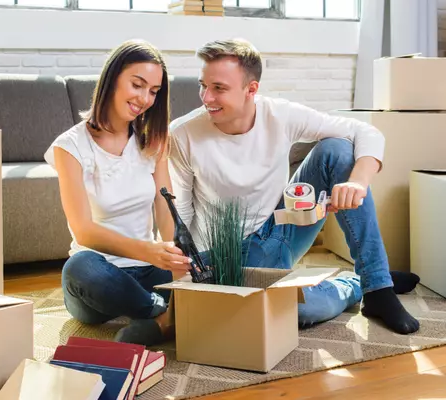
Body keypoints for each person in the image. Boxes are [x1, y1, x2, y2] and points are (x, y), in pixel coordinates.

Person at [168, 38, 421, 334]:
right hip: (230, 255)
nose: (206, 97)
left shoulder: (279, 114)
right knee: (299, 310)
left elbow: (365, 131)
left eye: (218, 88)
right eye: (203, 85)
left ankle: (377, 285)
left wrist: (358, 182)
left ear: (251, 90)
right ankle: (355, 283)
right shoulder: (182, 134)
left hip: (282, 226)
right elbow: (179, 213)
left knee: (338, 149)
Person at [44, 39, 190, 347]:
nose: (145, 99)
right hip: (100, 275)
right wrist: (147, 250)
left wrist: (175, 256)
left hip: (150, 270)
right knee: (79, 269)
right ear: (113, 79)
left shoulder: (153, 141)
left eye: (153, 91)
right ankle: (165, 314)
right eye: (137, 85)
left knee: (212, 258)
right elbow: (84, 231)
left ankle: (158, 317)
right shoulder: (69, 147)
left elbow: (166, 211)